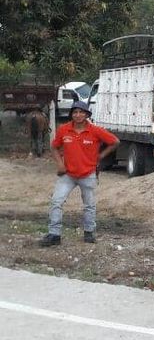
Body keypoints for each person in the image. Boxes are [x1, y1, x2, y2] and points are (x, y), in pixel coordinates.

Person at [39, 101, 119, 247]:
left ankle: (89, 232)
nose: (78, 115)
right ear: (71, 114)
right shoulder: (64, 129)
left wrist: (100, 156)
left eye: (81, 112)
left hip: (88, 174)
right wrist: (60, 164)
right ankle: (54, 234)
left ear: (87, 114)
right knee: (56, 201)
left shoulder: (95, 130)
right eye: (75, 112)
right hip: (68, 175)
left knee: (89, 205)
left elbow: (115, 142)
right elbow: (54, 147)